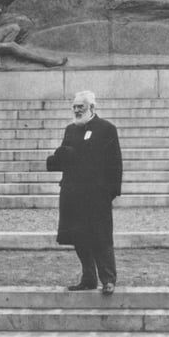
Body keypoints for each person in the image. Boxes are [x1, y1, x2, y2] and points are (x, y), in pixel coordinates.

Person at [46, 91, 122, 294]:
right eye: (75, 106)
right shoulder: (70, 129)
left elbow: (115, 163)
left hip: (97, 195)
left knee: (101, 238)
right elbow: (64, 157)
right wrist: (57, 158)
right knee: (79, 237)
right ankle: (88, 278)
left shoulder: (106, 129)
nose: (77, 110)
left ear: (92, 108)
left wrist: (111, 192)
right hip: (73, 194)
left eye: (81, 106)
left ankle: (108, 279)